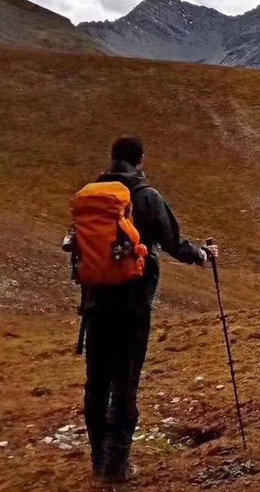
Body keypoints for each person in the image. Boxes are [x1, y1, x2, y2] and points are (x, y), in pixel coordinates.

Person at [72, 136, 214, 483]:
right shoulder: (146, 197)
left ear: (112, 159)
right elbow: (174, 243)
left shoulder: (91, 199)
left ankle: (98, 460)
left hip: (95, 303)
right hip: (132, 305)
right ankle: (117, 465)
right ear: (141, 160)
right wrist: (203, 255)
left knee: (97, 382)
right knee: (125, 383)